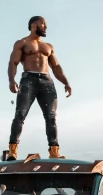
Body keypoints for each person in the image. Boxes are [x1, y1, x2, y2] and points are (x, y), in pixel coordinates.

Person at [7, 16, 72, 161]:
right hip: (28, 80)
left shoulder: (48, 46)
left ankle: (54, 151)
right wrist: (11, 80)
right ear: (33, 24)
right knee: (20, 115)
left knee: (51, 117)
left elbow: (55, 66)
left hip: (47, 81)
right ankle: (12, 151)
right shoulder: (22, 43)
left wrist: (66, 83)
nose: (45, 26)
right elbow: (13, 62)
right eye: (43, 23)